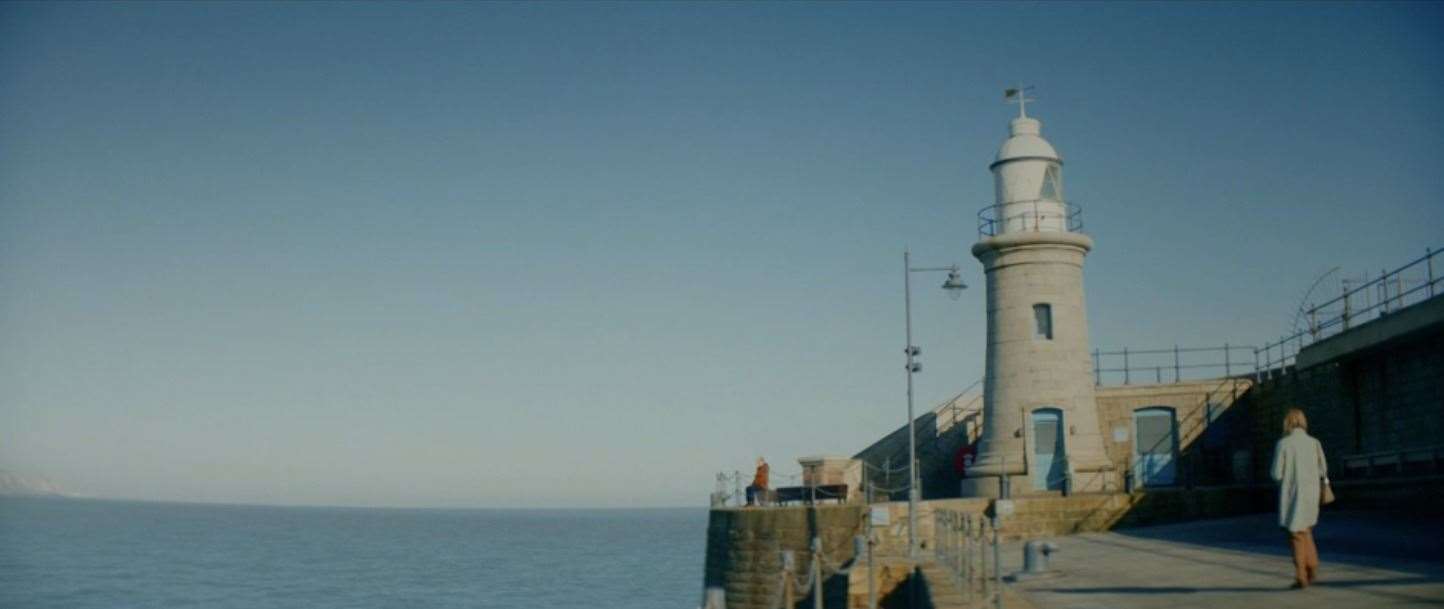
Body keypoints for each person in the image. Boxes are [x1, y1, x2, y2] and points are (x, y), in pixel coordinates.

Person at [1270, 408, 1329, 589]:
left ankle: (1301, 574)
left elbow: (1276, 473)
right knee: (1307, 530)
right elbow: (1323, 469)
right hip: (1311, 494)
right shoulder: (1314, 442)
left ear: (1287, 423)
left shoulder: (1284, 444)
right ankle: (1312, 566)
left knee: (1295, 534)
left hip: (1293, 494)